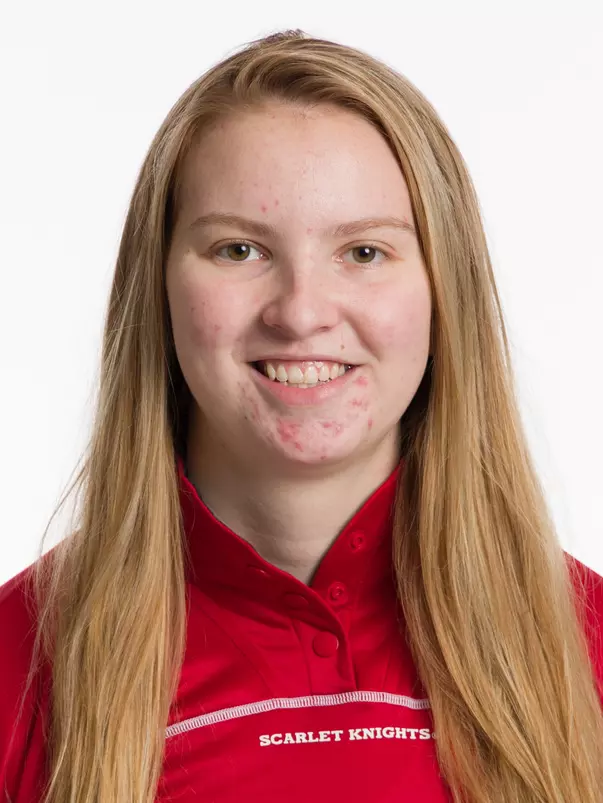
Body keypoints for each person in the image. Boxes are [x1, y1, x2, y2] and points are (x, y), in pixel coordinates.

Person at [1, 28, 602, 803]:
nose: (300, 312)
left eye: (363, 252)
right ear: (158, 287)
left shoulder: (583, 645)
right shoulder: (18, 664)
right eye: (239, 250)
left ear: (441, 290)